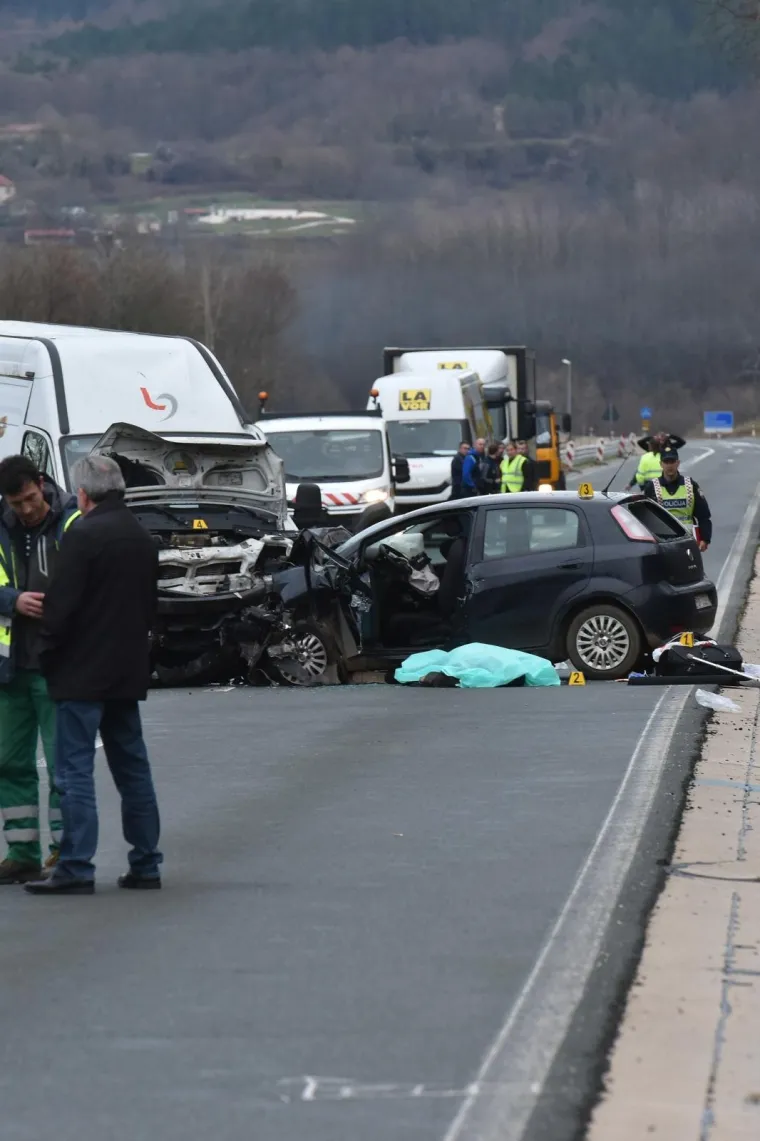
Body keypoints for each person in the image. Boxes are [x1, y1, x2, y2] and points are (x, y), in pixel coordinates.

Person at [25, 455, 162, 896]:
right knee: (133, 770)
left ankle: (76, 866)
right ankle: (146, 863)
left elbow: (59, 610)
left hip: (81, 673)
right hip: (126, 670)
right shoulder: (142, 537)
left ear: (82, 495)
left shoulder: (83, 535)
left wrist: (48, 656)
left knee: (74, 772)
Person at [0, 455, 80, 885]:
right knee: (8, 762)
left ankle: (64, 851)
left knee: (62, 764)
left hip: (54, 665)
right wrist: (12, 600)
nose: (27, 509)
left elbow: (87, 581)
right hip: (10, 669)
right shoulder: (2, 530)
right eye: (17, 504)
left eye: (30, 499)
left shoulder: (69, 524)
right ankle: (21, 851)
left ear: (41, 484)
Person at [643, 448, 711, 552]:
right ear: (661, 464)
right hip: (662, 544)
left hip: (688, 541)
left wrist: (705, 539)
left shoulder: (690, 485)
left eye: (672, 462)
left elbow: (704, 515)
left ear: (678, 463)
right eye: (666, 462)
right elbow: (644, 518)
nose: (669, 465)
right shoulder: (651, 487)